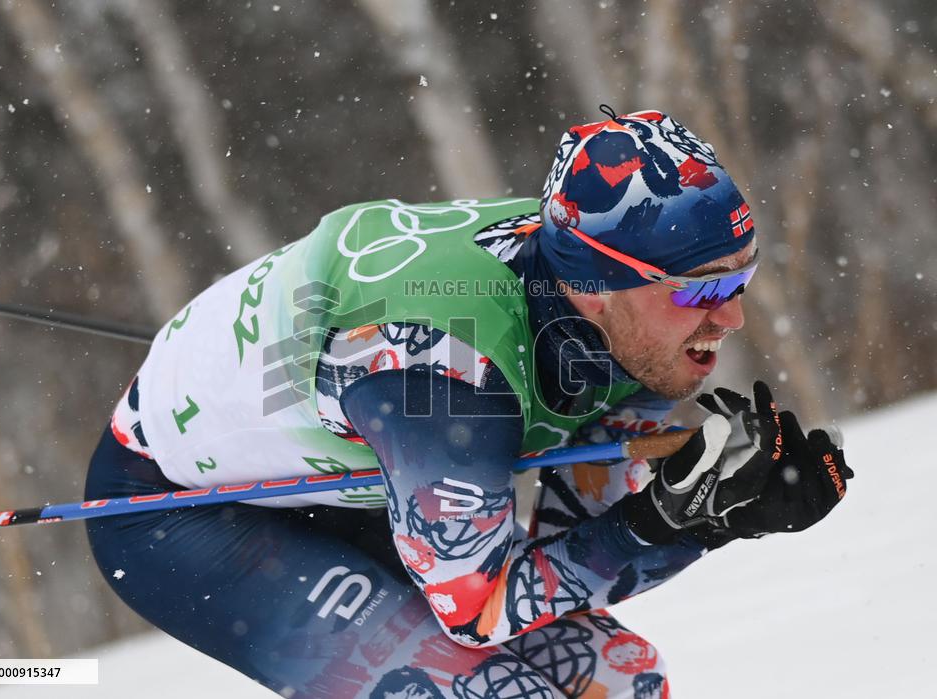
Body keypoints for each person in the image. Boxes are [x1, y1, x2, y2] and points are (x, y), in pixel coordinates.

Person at [84, 109, 852, 698]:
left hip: (355, 467)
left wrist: (719, 510)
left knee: (621, 680)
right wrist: (673, 526)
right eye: (704, 290)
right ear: (594, 285)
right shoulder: (445, 383)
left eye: (740, 281)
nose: (733, 318)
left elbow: (575, 532)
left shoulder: (617, 304)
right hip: (175, 509)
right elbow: (481, 610)